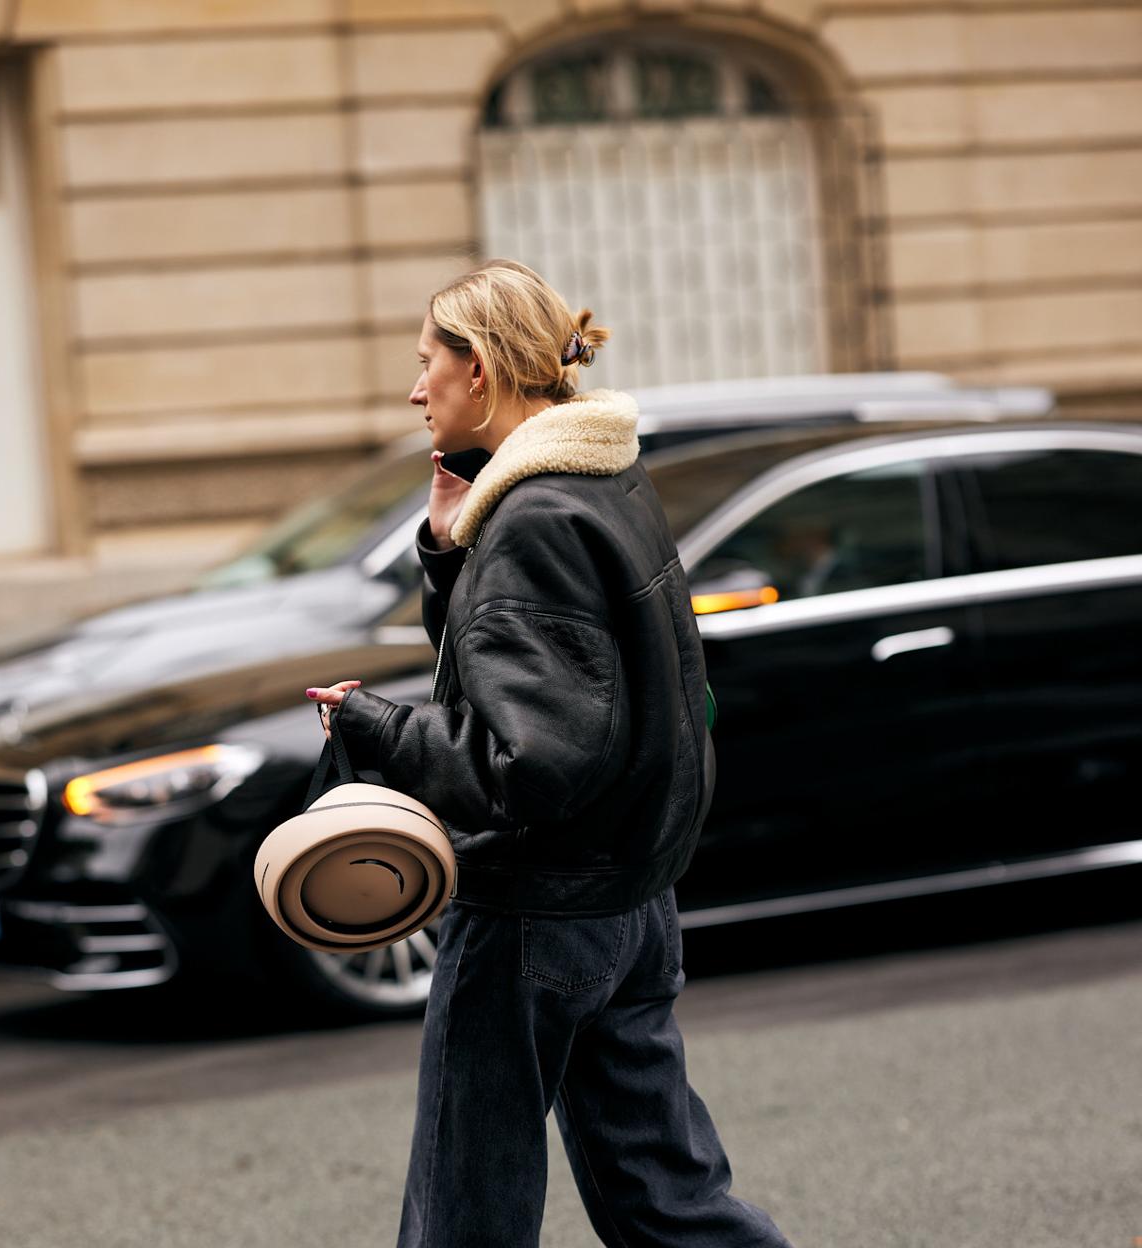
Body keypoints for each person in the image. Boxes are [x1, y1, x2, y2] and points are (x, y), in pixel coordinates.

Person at [305, 260, 792, 1248]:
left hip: (538, 914)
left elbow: (530, 762)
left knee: (466, 1215)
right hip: (631, 901)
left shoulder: (533, 521)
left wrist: (374, 725)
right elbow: (546, 679)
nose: (413, 391)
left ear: (477, 371)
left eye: (425, 365)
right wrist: (450, 554)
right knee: (669, 1199)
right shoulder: (602, 479)